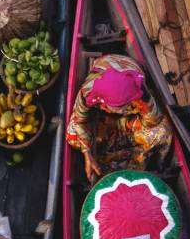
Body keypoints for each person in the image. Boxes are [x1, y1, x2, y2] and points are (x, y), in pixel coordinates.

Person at [66, 54, 174, 182]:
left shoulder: (140, 92)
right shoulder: (88, 91)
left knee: (163, 131)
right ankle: (120, 146)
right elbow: (79, 121)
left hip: (126, 122)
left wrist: (123, 124)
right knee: (72, 134)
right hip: (103, 120)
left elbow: (153, 120)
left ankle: (141, 157)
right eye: (107, 107)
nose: (107, 109)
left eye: (122, 107)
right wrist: (87, 153)